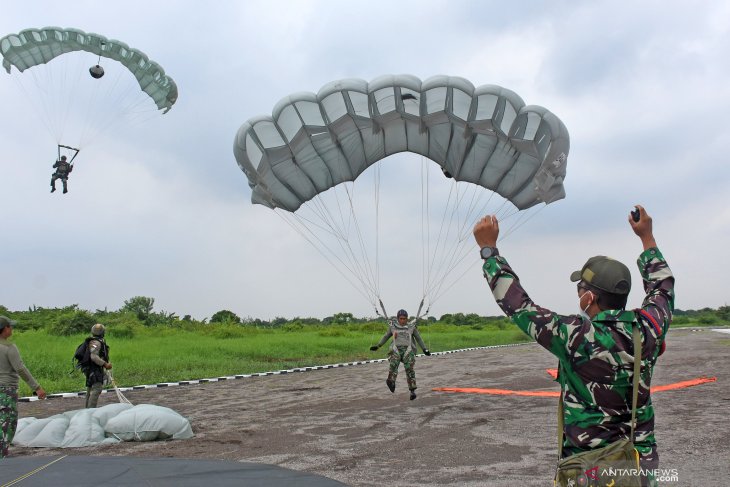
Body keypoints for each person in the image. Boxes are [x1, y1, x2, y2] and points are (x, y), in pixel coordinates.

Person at [472, 205, 673, 487]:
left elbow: (518, 306)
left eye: (579, 288)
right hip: (639, 466)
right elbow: (661, 288)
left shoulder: (575, 336)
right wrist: (647, 239)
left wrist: (488, 251)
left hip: (590, 469)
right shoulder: (649, 328)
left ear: (588, 297)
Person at [1, 316, 47, 458]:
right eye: (10, 326)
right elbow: (20, 369)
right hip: (6, 390)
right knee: (7, 424)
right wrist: (37, 387)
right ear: (5, 329)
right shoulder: (9, 348)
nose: (12, 329)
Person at [369, 309, 431, 400]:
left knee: (409, 368)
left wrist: (425, 349)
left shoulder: (411, 327)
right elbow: (386, 336)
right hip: (395, 349)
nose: (402, 321)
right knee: (394, 364)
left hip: (408, 350)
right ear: (398, 318)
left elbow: (419, 339)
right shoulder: (393, 327)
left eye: (404, 319)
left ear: (407, 319)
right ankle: (391, 381)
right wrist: (378, 346)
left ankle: (412, 390)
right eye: (401, 319)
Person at [82, 323, 112, 408]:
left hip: (90, 369)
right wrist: (105, 364)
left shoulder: (93, 341)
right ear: (102, 332)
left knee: (90, 390)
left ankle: (87, 410)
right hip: (94, 370)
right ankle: (91, 410)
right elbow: (93, 356)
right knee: (96, 389)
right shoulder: (96, 343)